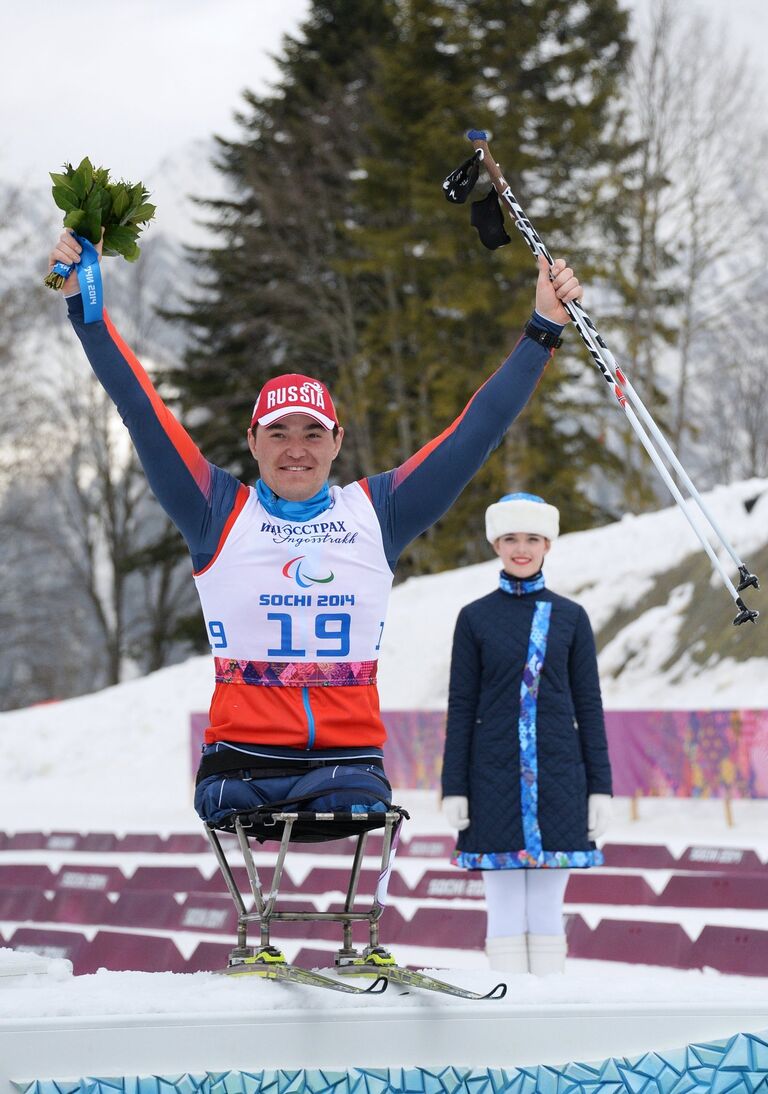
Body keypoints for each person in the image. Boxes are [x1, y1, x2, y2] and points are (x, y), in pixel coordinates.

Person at [48, 229, 583, 829]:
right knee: (247, 809)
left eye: (312, 433)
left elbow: (473, 432)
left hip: (346, 760)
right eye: (278, 432)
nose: (295, 449)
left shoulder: (375, 514)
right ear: (252, 442)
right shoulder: (218, 514)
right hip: (241, 764)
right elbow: (142, 408)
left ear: (337, 443)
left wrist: (543, 329)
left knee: (351, 803)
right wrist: (82, 306)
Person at [441, 493, 613, 976]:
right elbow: (462, 706)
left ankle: (549, 1008)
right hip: (491, 779)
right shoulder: (474, 618)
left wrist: (600, 786)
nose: (522, 548)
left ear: (548, 545)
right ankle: (509, 1008)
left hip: (560, 779)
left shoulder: (571, 617)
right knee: (503, 906)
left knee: (545, 908)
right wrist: (454, 786)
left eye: (532, 538)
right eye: (511, 538)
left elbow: (589, 706)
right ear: (496, 543)